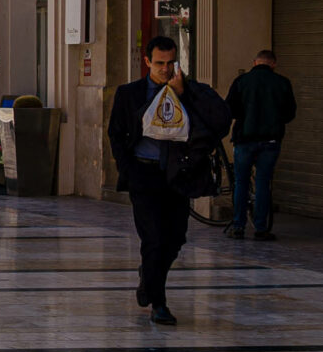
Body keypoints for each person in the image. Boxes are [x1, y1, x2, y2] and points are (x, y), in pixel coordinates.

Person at [107, 36, 232, 327]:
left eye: (170, 63)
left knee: (175, 239)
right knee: (154, 238)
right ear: (148, 61)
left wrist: (184, 93)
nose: (165, 69)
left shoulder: (190, 90)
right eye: (160, 63)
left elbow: (219, 119)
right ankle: (159, 302)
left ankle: (148, 279)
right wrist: (127, 168)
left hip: (177, 175)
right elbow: (116, 133)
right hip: (144, 174)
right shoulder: (130, 93)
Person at [226, 49, 298, 241]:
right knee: (263, 183)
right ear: (273, 64)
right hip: (270, 140)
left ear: (254, 62)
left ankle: (239, 226)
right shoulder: (282, 83)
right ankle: (261, 228)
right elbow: (290, 113)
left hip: (244, 140)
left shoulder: (241, 81)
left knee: (241, 183)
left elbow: (230, 109)